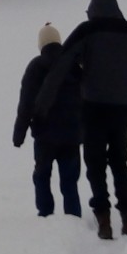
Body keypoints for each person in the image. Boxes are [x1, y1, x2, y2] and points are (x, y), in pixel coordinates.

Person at [34, 0, 127, 240]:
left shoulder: (87, 31)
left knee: (95, 162)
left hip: (93, 108)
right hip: (123, 109)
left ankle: (103, 219)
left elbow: (61, 66)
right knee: (119, 160)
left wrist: (43, 104)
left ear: (92, 10)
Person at [12, 23, 82, 218]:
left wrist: (19, 134)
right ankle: (73, 217)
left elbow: (25, 103)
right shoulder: (74, 64)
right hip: (72, 134)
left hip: (45, 134)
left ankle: (46, 215)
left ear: (41, 44)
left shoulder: (36, 66)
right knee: (69, 180)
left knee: (42, 175)